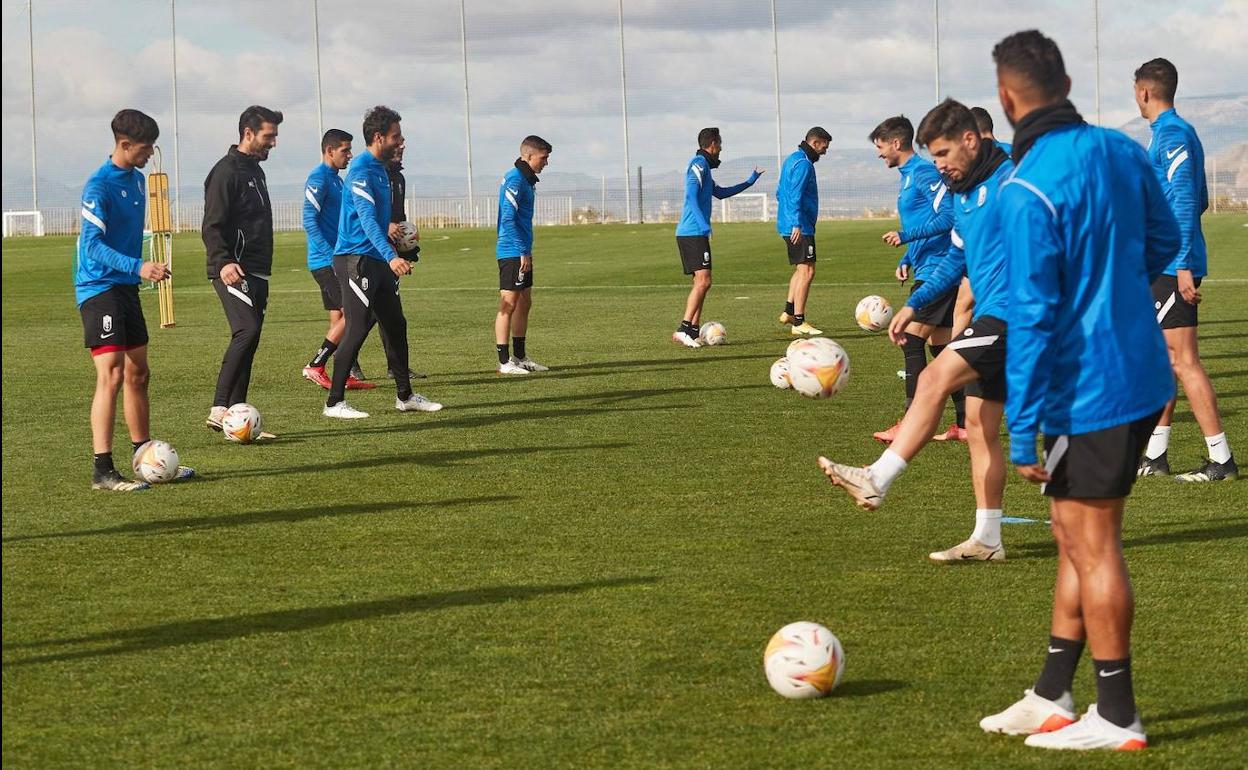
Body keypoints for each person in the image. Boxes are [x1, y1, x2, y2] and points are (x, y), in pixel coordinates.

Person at [978, 30, 1180, 751]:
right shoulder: (1124, 151)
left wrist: (1024, 425)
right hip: (1135, 376)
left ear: (1006, 99)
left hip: (1088, 390)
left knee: (1093, 545)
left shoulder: (1024, 188)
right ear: (1063, 82)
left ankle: (1118, 714)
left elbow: (1030, 317)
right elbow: (1164, 244)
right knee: (1073, 536)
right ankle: (1053, 693)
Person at [818, 99, 1014, 563]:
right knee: (981, 429)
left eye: (944, 153)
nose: (940, 166)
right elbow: (957, 258)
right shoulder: (966, 194)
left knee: (933, 378)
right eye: (934, 155)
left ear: (971, 140)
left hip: (1022, 315)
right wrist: (914, 304)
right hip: (998, 310)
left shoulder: (1014, 181)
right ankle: (988, 539)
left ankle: (876, 479)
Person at [1133, 57, 1237, 481]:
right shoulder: (1174, 133)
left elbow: (1184, 201)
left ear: (1144, 91)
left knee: (1184, 361)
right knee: (1164, 359)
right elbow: (1201, 199)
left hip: (1171, 266)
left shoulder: (1172, 134)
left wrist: (1181, 265)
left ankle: (1221, 460)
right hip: (1165, 263)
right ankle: (1155, 456)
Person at [77, 109, 192, 490]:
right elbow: (91, 247)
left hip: (126, 288)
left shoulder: (141, 181)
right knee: (110, 374)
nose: (150, 154)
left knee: (138, 374)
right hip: (98, 288)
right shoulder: (98, 187)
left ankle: (145, 457)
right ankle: (102, 470)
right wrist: (140, 266)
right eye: (145, 148)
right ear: (125, 145)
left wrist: (140, 270)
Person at [323, 106, 442, 419]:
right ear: (378, 138)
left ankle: (405, 396)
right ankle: (334, 403)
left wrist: (397, 250)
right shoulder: (361, 170)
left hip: (377, 258)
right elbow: (366, 221)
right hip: (355, 259)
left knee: (395, 325)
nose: (401, 142)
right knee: (357, 327)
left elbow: (383, 221)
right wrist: (391, 257)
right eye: (396, 136)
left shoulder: (382, 169)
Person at [871, 115, 966, 443]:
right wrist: (908, 256)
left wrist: (905, 235)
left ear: (896, 143)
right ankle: (965, 425)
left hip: (940, 270)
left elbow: (949, 216)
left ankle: (911, 424)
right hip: (927, 266)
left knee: (910, 340)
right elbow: (926, 219)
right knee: (942, 349)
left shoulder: (924, 173)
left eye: (880, 147)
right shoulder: (908, 175)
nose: (879, 153)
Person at [203, 105, 282, 434]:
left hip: (258, 269)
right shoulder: (226, 172)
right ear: (248, 134)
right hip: (233, 269)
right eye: (268, 136)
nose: (273, 143)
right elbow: (211, 225)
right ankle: (220, 408)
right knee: (245, 330)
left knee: (251, 339)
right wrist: (223, 261)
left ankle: (238, 419)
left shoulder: (255, 170)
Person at [672, 127, 763, 348]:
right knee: (704, 281)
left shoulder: (705, 167)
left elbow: (720, 193)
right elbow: (691, 195)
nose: (721, 149)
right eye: (720, 145)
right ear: (712, 144)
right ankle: (683, 328)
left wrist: (749, 182)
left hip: (694, 232)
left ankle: (693, 330)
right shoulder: (698, 163)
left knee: (702, 282)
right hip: (693, 232)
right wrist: (704, 225)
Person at [301, 128, 373, 391]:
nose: (350, 155)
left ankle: (341, 373)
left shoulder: (336, 180)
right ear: (330, 151)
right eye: (345, 150)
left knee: (341, 314)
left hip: (333, 258)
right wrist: (332, 256)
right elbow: (309, 220)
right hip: (325, 261)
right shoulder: (318, 178)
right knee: (358, 313)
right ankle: (316, 365)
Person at [495, 135, 553, 374]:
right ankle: (504, 362)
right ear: (529, 156)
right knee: (508, 304)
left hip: (521, 251)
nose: (546, 163)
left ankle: (520, 357)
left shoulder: (526, 180)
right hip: (512, 252)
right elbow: (507, 218)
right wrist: (521, 251)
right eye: (544, 158)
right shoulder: (515, 180)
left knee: (524, 302)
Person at [776, 127, 830, 336]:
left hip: (789, 224)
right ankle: (799, 322)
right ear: (815, 143)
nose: (825, 151)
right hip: (800, 226)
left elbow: (780, 193)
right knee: (808, 270)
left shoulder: (792, 159)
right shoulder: (804, 164)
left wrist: (788, 220)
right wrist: (796, 223)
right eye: (824, 147)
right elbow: (795, 195)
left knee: (801, 269)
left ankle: (789, 311)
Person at [382, 146, 426, 380]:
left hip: (392, 253)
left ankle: (396, 368)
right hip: (374, 252)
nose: (402, 147)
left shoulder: (398, 177)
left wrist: (405, 246)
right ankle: (350, 365)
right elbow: (364, 213)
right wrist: (385, 226)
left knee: (392, 315)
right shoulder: (375, 174)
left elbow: (398, 216)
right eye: (397, 142)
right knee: (363, 316)